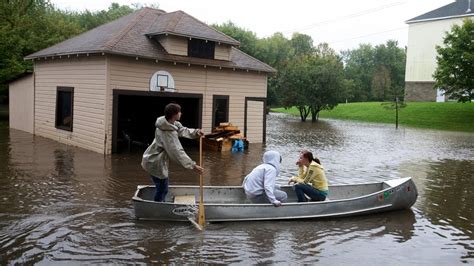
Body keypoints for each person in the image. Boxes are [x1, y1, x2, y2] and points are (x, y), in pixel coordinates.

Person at [141, 103, 204, 202]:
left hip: (154, 159)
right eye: (179, 112)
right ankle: (157, 208)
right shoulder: (167, 133)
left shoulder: (170, 124)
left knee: (161, 187)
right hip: (154, 162)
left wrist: (196, 132)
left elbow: (182, 130)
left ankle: (159, 204)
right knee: (163, 189)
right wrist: (193, 166)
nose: (181, 113)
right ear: (174, 115)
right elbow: (177, 153)